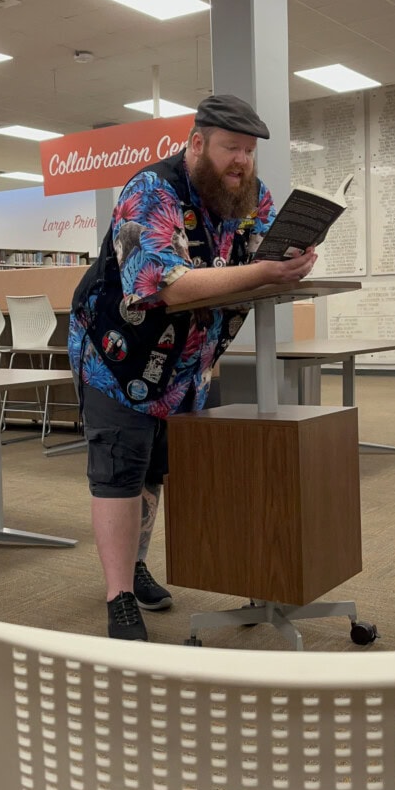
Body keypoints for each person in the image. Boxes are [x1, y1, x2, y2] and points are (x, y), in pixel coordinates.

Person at [68, 94, 317, 640]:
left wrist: (293, 259)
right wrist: (264, 273)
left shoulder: (249, 196)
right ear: (198, 143)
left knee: (156, 468)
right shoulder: (149, 191)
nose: (242, 162)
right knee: (119, 472)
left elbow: (265, 254)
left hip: (187, 366)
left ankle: (135, 566)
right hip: (117, 356)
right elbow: (159, 281)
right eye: (232, 148)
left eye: (249, 152)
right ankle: (119, 598)